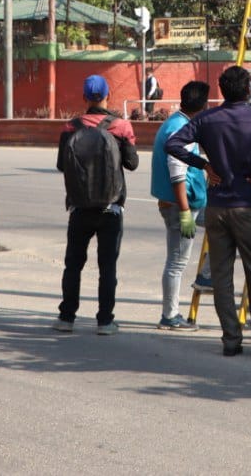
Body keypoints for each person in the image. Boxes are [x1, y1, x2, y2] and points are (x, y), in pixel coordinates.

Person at [167, 65, 251, 357]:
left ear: (222, 90)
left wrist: (204, 165)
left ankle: (231, 340)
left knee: (221, 275)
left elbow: (173, 144)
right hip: (248, 205)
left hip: (217, 207)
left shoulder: (208, 119)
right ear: (248, 90)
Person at [54, 74, 138, 336]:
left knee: (73, 264)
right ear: (107, 96)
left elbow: (61, 165)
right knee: (107, 266)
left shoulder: (70, 127)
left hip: (79, 207)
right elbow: (132, 164)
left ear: (84, 98)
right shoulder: (121, 127)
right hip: (110, 208)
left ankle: (67, 317)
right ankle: (104, 321)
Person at [150, 80, 209, 330]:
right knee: (176, 262)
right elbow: (177, 174)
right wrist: (185, 212)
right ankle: (170, 316)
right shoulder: (179, 130)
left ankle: (208, 274)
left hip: (189, 202)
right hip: (180, 206)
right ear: (203, 105)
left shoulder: (178, 123)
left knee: (226, 226)